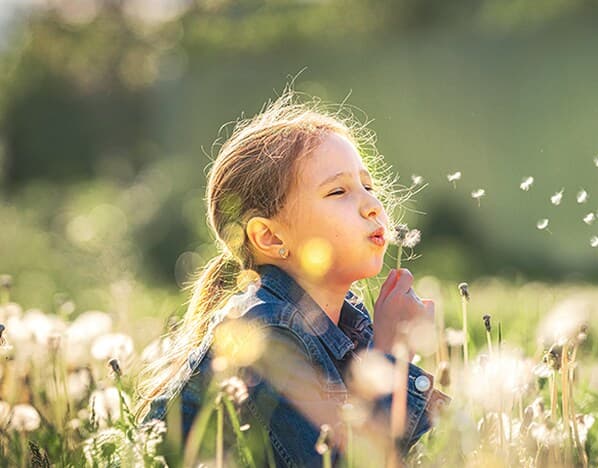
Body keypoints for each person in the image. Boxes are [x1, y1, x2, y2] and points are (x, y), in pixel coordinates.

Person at [133, 88, 449, 467]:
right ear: (270, 237)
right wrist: (390, 354)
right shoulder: (266, 335)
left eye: (368, 186)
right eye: (338, 191)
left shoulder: (343, 325)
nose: (372, 206)